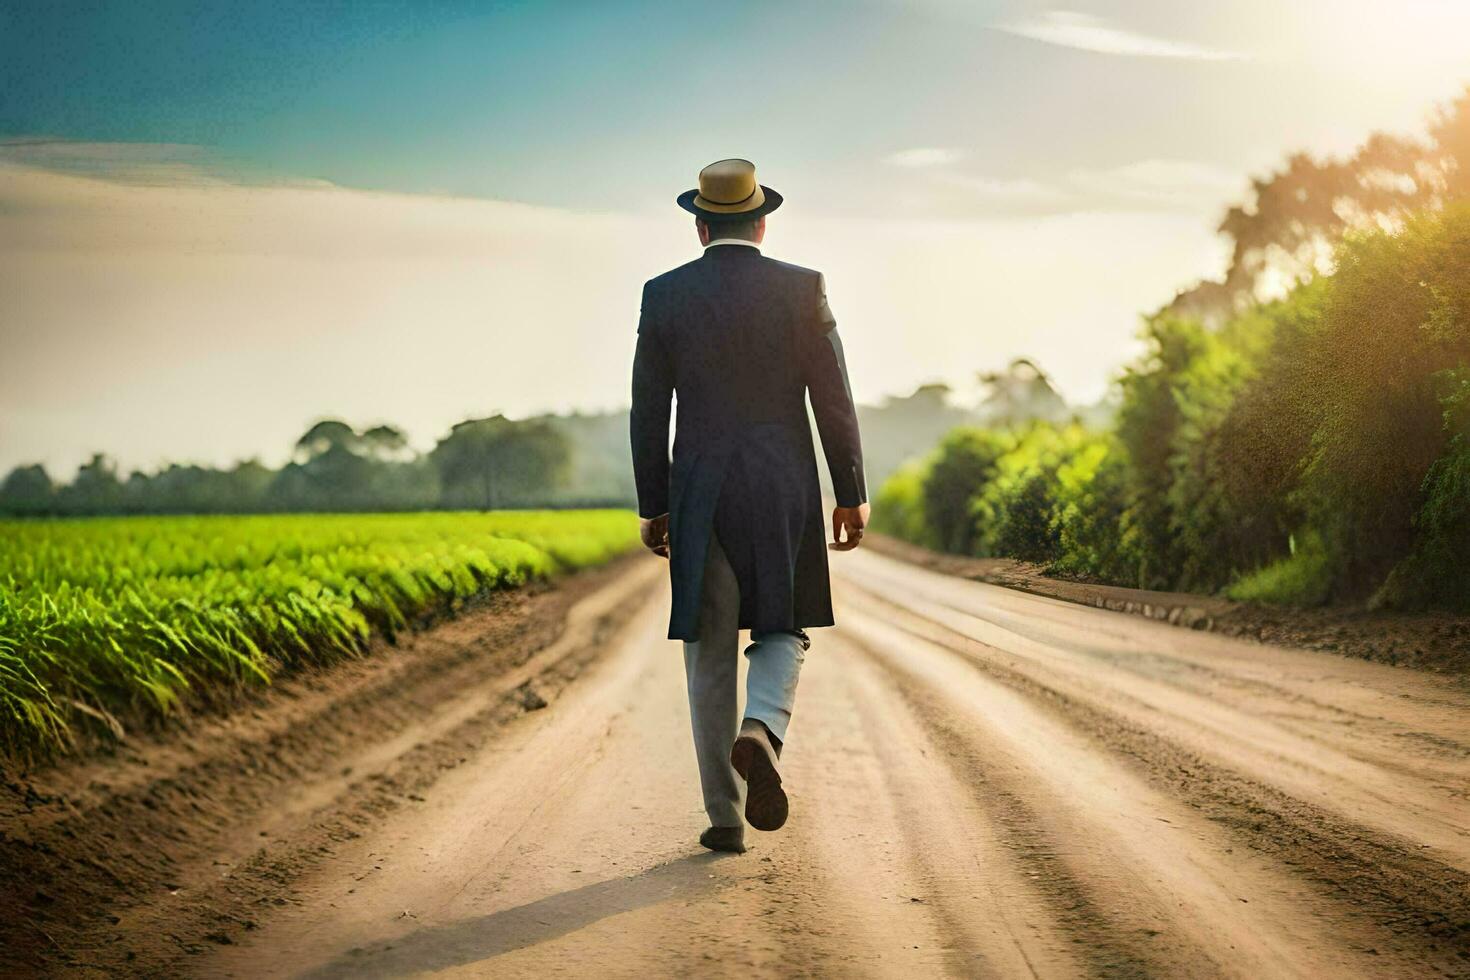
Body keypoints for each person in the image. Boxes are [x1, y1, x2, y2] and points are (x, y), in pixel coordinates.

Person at [630, 158, 869, 854]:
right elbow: (835, 397)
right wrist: (849, 492)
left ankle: (725, 820)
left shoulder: (663, 294)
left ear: (700, 227)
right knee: (784, 626)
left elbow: (650, 410)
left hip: (700, 490)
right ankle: (761, 728)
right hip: (780, 487)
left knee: (708, 654)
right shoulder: (802, 289)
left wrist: (654, 503)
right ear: (763, 222)